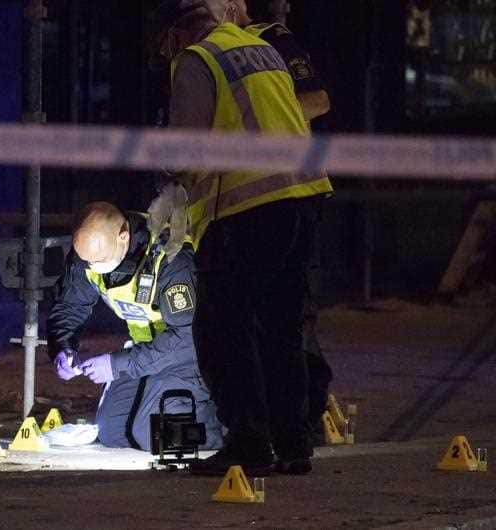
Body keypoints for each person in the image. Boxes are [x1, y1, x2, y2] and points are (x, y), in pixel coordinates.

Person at [148, 0, 334, 476]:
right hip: (303, 196)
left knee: (222, 328)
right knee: (280, 327)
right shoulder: (260, 47)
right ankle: (293, 443)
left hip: (246, 209)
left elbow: (189, 147)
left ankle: (248, 442)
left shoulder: (197, 59)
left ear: (174, 35)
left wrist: (169, 180)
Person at [47, 201, 222, 451]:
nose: (94, 267)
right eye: (87, 261)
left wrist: (116, 364)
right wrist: (63, 348)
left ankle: (233, 428)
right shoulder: (87, 255)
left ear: (124, 236)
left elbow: (186, 337)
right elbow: (69, 305)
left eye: (100, 260)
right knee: (112, 432)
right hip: (144, 352)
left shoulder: (171, 256)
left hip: (189, 355)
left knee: (159, 436)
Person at [243, 0, 335, 445]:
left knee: (289, 314)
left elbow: (316, 100)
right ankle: (273, 419)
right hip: (246, 200)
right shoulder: (209, 51)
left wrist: (259, 124)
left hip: (288, 195)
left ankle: (305, 415)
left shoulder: (270, 39)